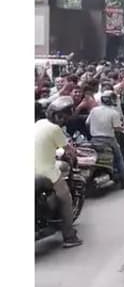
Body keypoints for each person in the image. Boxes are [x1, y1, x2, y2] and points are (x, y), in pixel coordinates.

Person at [36, 97, 83, 248]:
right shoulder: (55, 129)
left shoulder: (39, 123)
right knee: (66, 198)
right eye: (63, 116)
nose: (64, 119)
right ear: (57, 116)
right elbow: (69, 150)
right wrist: (75, 154)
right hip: (46, 171)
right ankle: (69, 236)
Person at [86, 92, 124, 189]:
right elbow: (117, 128)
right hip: (109, 139)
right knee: (119, 159)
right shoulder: (114, 113)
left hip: (94, 139)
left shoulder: (94, 110)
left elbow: (87, 123)